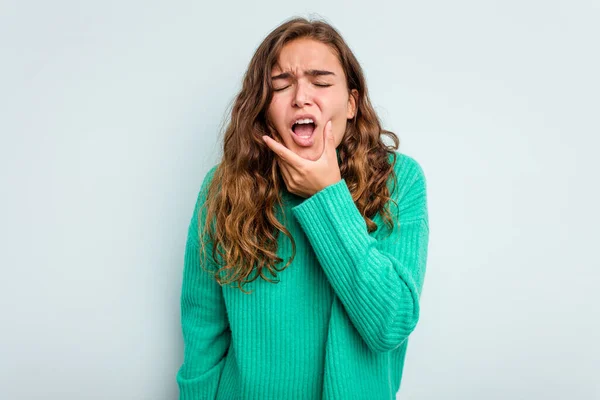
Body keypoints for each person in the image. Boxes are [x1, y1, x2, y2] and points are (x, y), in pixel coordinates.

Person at [176, 16, 430, 400]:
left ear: (351, 103)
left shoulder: (400, 180)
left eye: (321, 82)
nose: (300, 97)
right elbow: (203, 336)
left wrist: (327, 194)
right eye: (281, 85)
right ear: (263, 108)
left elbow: (389, 326)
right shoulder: (223, 187)